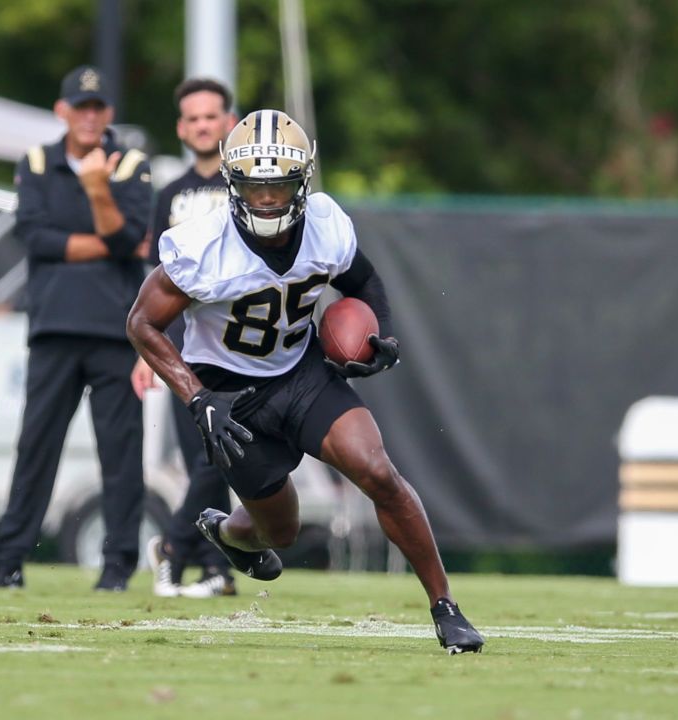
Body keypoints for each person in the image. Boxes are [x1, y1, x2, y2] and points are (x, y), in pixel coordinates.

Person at [126, 109, 485, 653]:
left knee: (377, 471)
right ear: (231, 182)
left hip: (301, 372)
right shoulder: (202, 245)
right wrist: (196, 397)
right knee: (281, 533)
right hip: (229, 395)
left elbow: (363, 281)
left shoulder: (326, 225)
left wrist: (380, 336)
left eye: (279, 186)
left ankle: (446, 606)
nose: (267, 200)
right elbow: (142, 323)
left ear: (303, 180)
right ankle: (226, 532)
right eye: (254, 185)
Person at [0, 65, 153, 593]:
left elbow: (132, 239)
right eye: (81, 107)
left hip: (114, 332)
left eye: (97, 108)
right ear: (63, 111)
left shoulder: (132, 165)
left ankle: (118, 567)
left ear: (109, 114)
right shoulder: (36, 161)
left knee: (120, 454)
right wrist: (109, 238)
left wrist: (99, 191)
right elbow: (37, 238)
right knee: (36, 448)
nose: (89, 116)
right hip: (54, 328)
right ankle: (9, 562)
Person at [131, 78, 240, 598]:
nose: (201, 125)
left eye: (210, 116)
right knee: (208, 455)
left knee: (226, 454)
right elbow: (154, 280)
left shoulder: (250, 184)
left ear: (227, 122)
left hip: (239, 344)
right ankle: (196, 560)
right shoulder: (169, 196)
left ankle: (185, 553)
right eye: (192, 118)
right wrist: (145, 351)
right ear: (181, 127)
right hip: (180, 346)